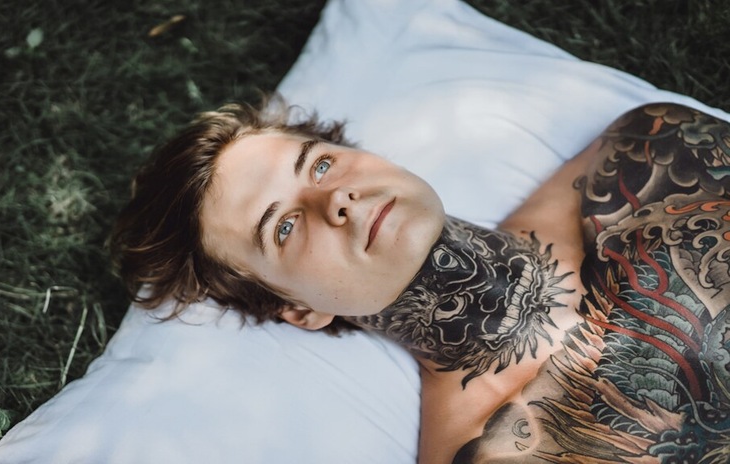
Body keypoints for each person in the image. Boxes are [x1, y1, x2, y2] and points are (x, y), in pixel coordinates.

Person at [110, 96, 730, 463]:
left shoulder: (652, 152)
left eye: (319, 165)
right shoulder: (494, 451)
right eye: (285, 227)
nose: (336, 200)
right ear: (296, 309)